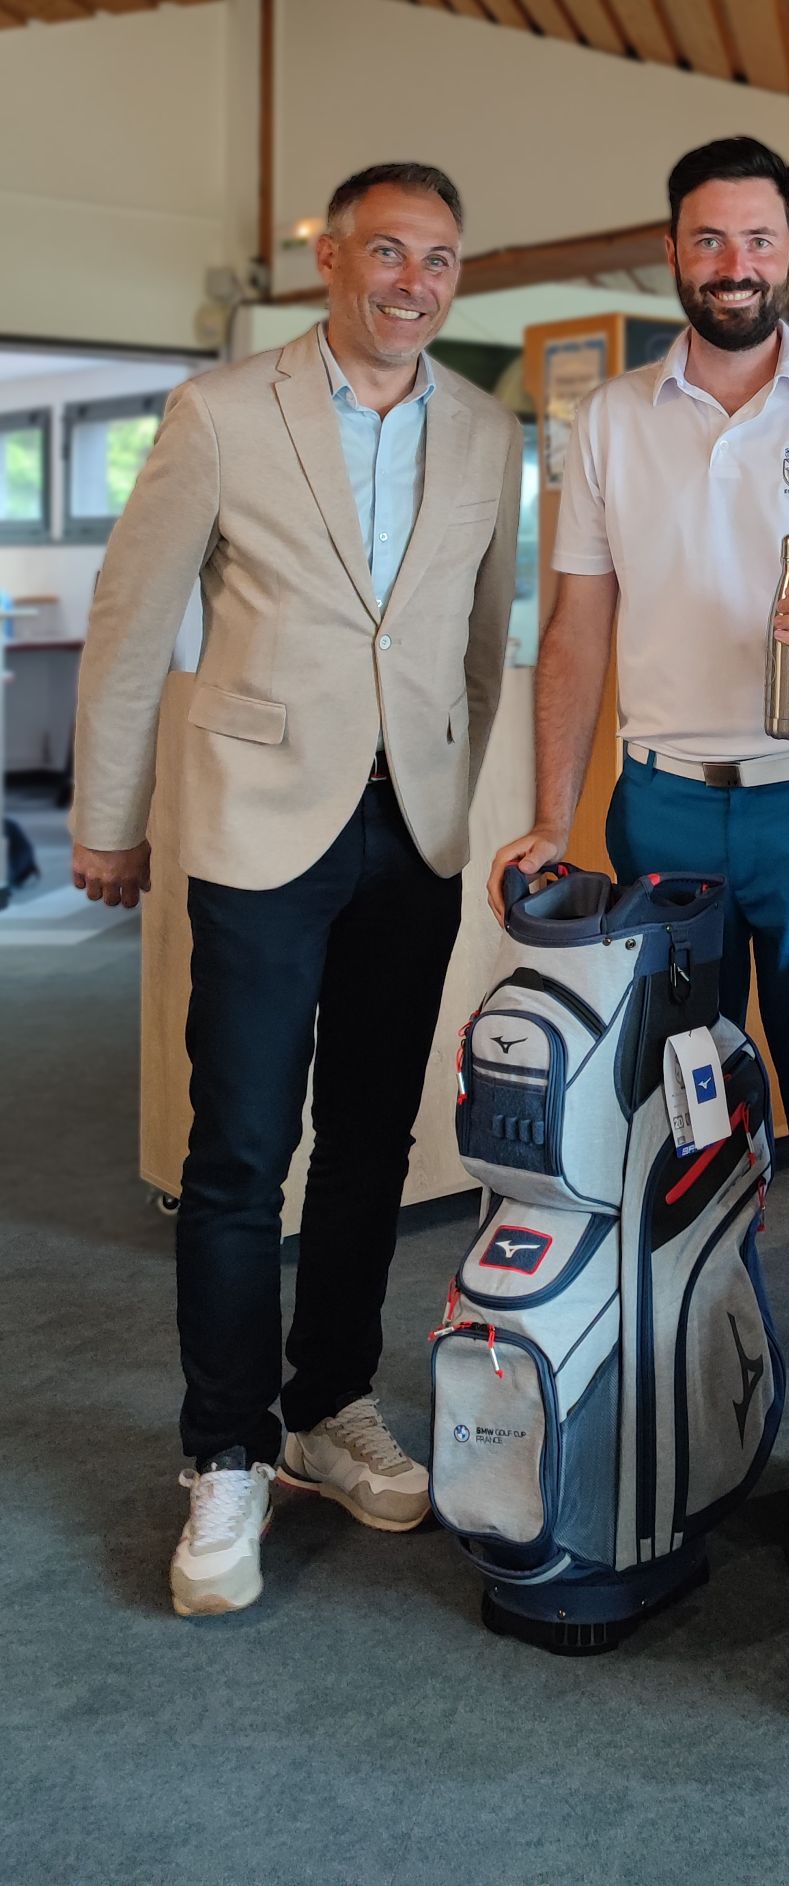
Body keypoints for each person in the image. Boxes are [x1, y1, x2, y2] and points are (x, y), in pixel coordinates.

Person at [70, 162, 524, 1617]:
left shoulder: (487, 429)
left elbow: (480, 642)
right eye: (388, 251)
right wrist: (109, 818)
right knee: (240, 1153)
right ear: (330, 257)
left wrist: (453, 788)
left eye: (439, 260)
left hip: (415, 831)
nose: (414, 283)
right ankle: (226, 1452)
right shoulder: (221, 412)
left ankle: (330, 1405)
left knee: (377, 1140)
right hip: (261, 824)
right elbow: (132, 621)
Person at [488, 137, 789, 1438]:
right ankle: (697, 1416)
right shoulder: (609, 420)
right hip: (666, 805)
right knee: (674, 1115)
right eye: (709, 239)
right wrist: (550, 813)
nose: (734, 263)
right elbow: (576, 629)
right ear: (674, 254)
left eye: (758, 239)